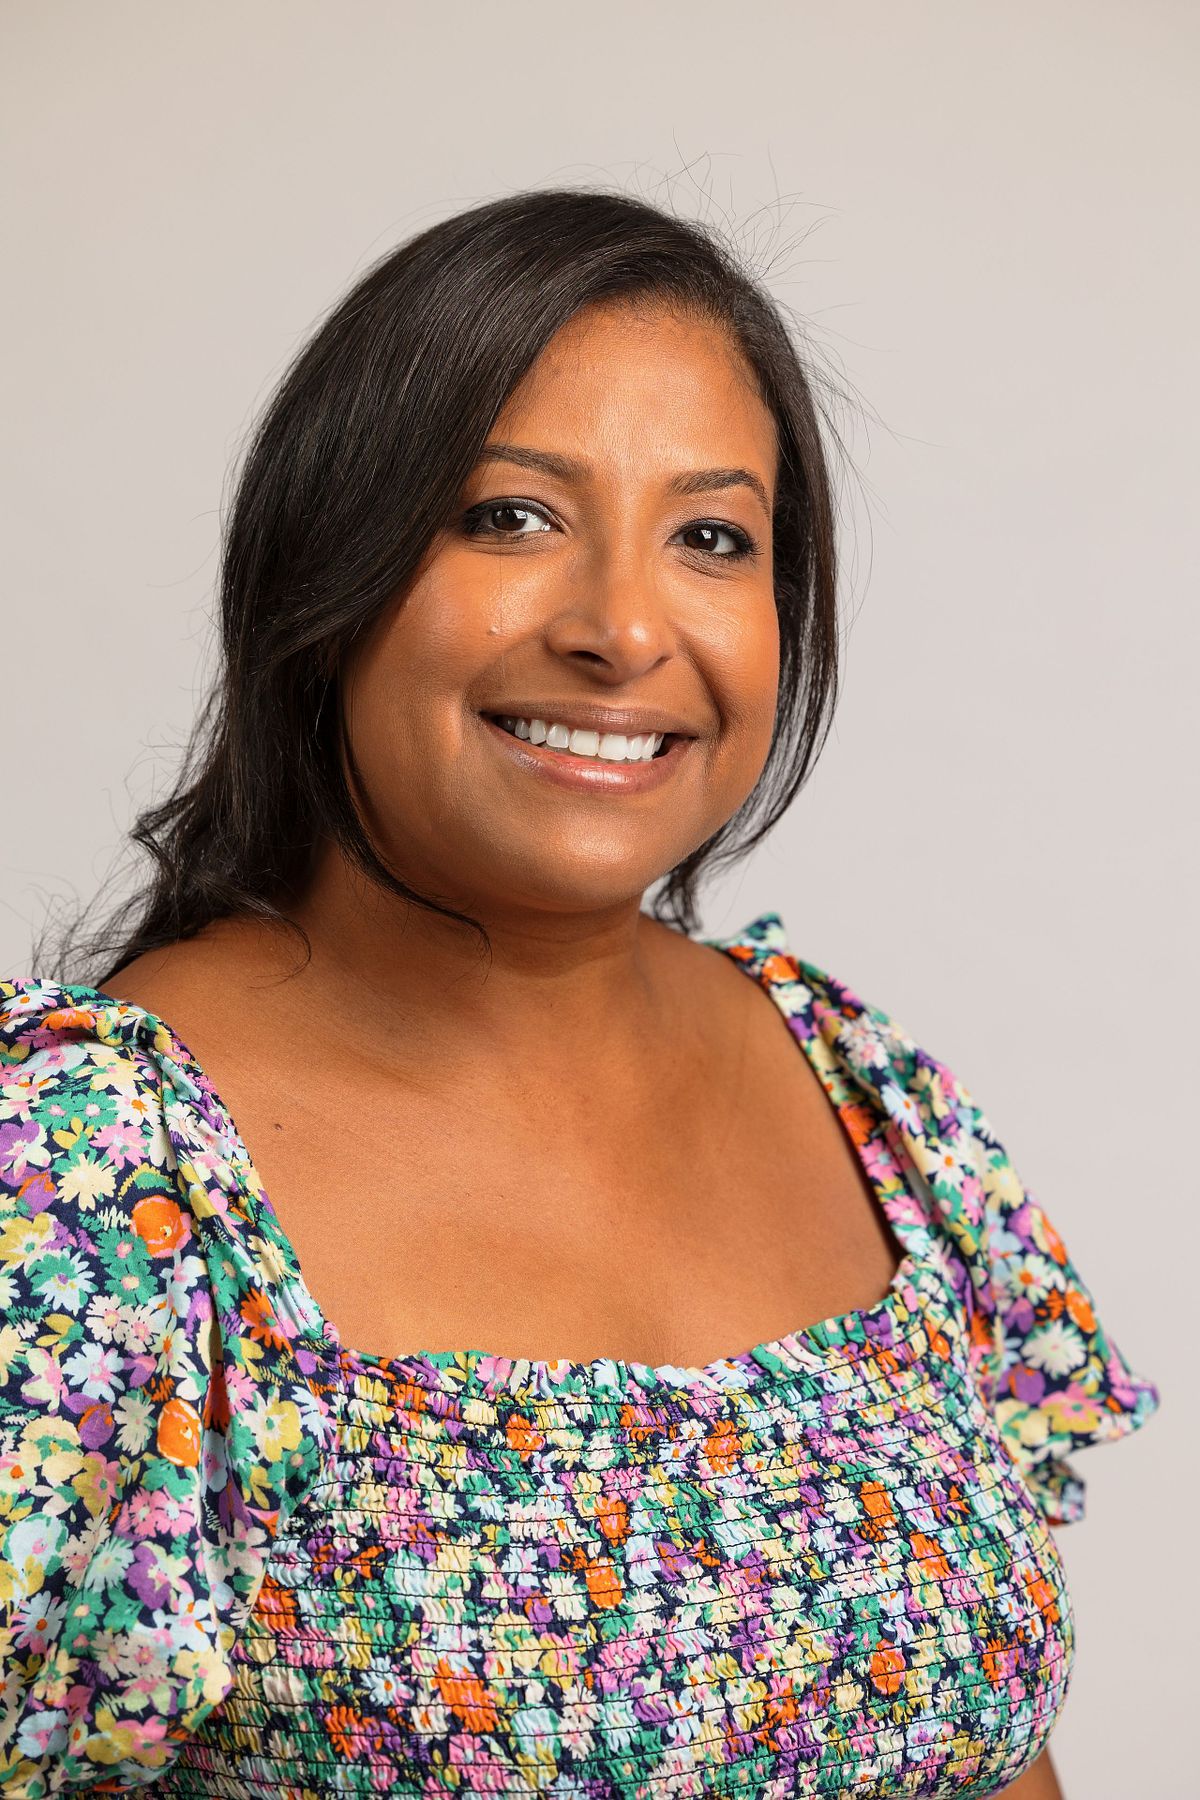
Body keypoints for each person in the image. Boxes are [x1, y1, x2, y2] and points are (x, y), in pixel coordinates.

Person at [0, 188, 1159, 1799]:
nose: (622, 628)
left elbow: (990, 1745)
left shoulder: (854, 1088)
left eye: (710, 537)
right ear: (327, 569)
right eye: (510, 516)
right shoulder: (85, 1170)